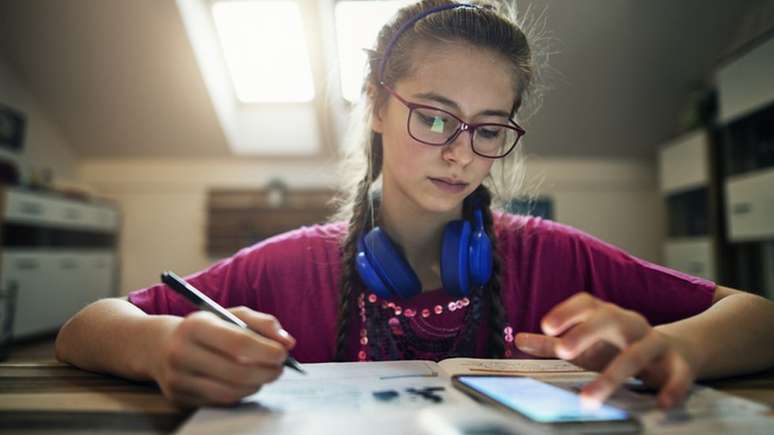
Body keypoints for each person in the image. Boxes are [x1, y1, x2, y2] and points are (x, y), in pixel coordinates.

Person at [55, 0, 774, 410]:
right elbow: (85, 326)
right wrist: (161, 345)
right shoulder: (290, 266)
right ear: (374, 104)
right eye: (433, 116)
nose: (461, 150)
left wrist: (679, 346)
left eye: (489, 127)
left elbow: (759, 315)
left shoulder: (555, 256)